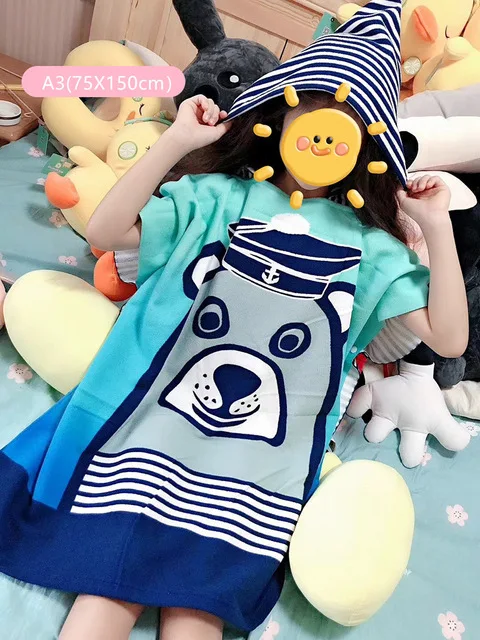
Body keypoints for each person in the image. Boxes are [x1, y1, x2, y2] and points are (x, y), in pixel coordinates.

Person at [0, 1, 468, 639]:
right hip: (150, 429)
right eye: (310, 110)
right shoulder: (217, 197)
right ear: (280, 114)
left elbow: (449, 338)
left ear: (368, 148)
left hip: (254, 467)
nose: (323, 136)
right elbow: (107, 230)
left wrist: (437, 229)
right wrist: (175, 141)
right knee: (104, 585)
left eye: (347, 124)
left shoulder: (372, 249)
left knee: (197, 610)